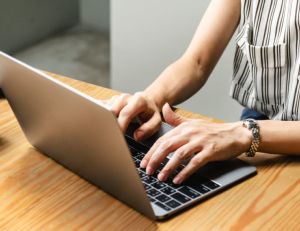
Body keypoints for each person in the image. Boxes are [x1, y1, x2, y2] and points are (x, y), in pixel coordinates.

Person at [106, 0, 300, 185]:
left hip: (257, 133)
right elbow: (197, 62)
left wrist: (245, 134)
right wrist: (152, 97)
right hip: (259, 122)